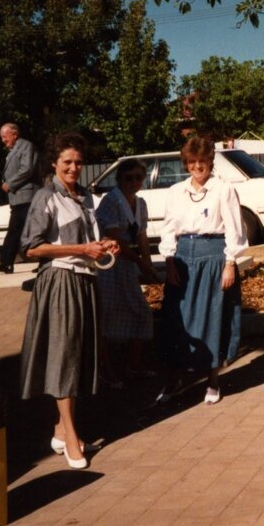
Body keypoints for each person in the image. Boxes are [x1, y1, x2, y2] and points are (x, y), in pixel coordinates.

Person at [19, 132, 120, 469]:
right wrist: (80, 249)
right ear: (54, 164)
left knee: (77, 356)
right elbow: (31, 248)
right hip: (60, 281)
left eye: (78, 162)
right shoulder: (45, 197)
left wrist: (104, 245)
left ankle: (62, 431)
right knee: (64, 357)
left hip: (86, 281)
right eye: (67, 162)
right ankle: (72, 437)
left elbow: (89, 240)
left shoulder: (86, 197)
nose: (74, 167)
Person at [158, 136, 246, 406]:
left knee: (213, 318)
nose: (198, 167)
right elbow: (169, 228)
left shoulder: (224, 189)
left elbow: (234, 229)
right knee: (176, 321)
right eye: (193, 162)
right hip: (183, 259)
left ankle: (213, 381)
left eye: (203, 161)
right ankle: (173, 381)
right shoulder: (176, 191)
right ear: (186, 163)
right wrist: (170, 261)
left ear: (211, 162)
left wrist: (229, 263)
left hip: (213, 258)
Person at [95, 159, 158, 383]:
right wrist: (140, 263)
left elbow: (141, 236)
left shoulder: (140, 203)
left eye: (138, 178)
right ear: (119, 179)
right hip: (110, 264)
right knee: (105, 316)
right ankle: (105, 370)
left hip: (129, 264)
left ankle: (133, 365)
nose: (133, 182)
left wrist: (148, 264)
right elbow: (116, 239)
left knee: (142, 313)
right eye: (128, 178)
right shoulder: (111, 201)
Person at [0, 122, 40, 274]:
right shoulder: (13, 150)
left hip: (28, 197)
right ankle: (6, 263)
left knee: (35, 232)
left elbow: (27, 169)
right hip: (18, 199)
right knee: (13, 231)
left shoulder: (26, 146)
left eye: (4, 137)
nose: (3, 140)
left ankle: (45, 262)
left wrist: (10, 184)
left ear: (14, 134)